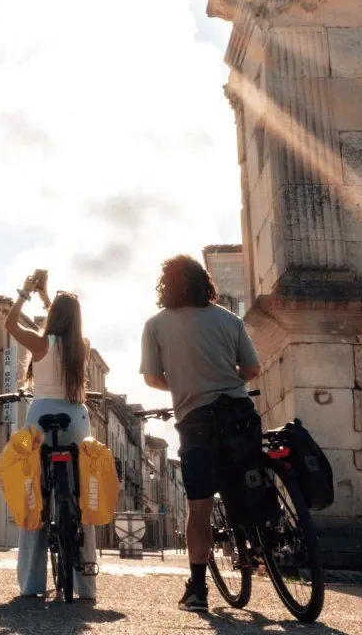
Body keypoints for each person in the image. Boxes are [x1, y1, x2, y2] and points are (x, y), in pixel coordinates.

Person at [140, 254, 262, 613]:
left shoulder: (155, 325)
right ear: (204, 282)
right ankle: (262, 539)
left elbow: (151, 377)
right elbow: (252, 367)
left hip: (196, 420)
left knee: (200, 506)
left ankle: (197, 589)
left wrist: (184, 386)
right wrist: (226, 381)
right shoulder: (229, 319)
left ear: (167, 286)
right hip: (239, 412)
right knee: (250, 475)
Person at [4, 269, 99, 603]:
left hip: (41, 418)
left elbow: (10, 325)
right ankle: (85, 585)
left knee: (35, 498)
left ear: (53, 315)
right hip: (75, 417)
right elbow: (64, 323)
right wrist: (51, 299)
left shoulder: (41, 343)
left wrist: (26, 292)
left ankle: (31, 584)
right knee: (80, 499)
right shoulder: (81, 347)